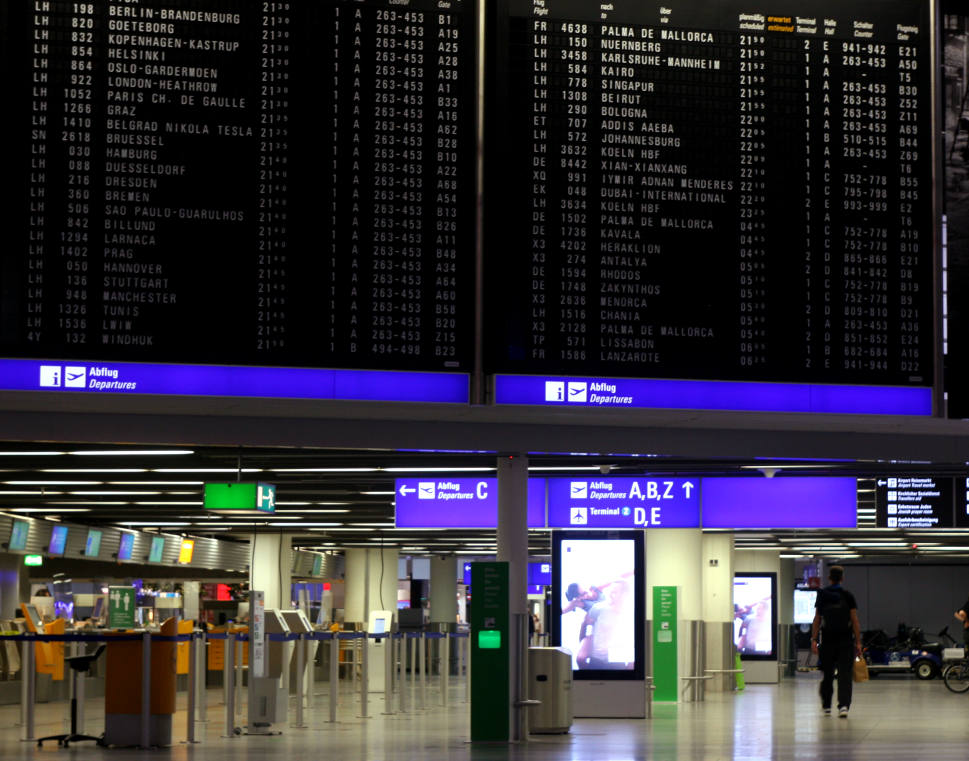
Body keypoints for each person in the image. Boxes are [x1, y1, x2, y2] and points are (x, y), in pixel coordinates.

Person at [811, 565, 862, 718]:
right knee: (845, 675)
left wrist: (814, 639)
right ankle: (843, 706)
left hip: (827, 641)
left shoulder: (823, 595)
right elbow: (854, 620)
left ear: (829, 578)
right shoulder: (848, 596)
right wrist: (858, 642)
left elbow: (817, 619)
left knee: (827, 674)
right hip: (845, 641)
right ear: (842, 578)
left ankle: (827, 705)